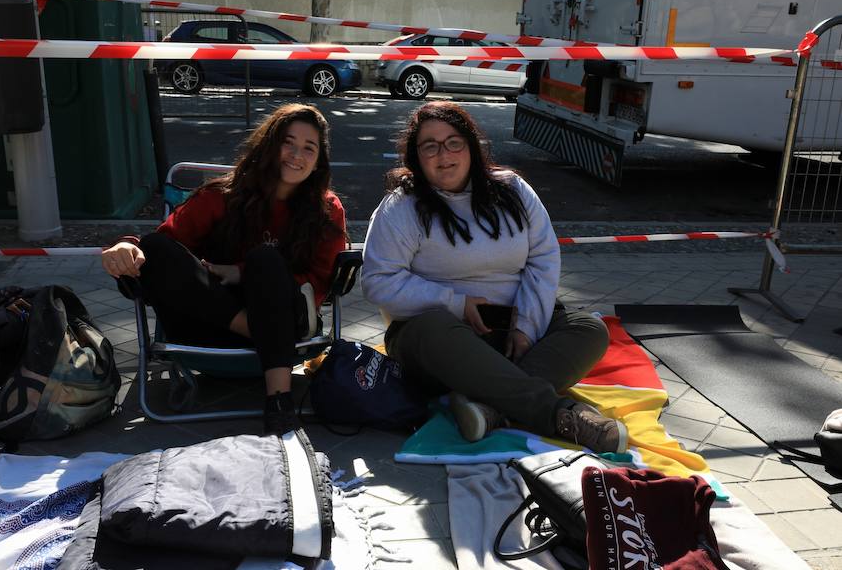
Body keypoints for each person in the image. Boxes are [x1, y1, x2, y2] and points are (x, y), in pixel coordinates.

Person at [360, 101, 627, 453]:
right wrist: (456, 304)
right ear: (416, 157)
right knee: (433, 330)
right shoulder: (402, 206)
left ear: (471, 147)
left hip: (512, 328)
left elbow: (542, 259)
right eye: (430, 146)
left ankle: (490, 409)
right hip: (440, 337)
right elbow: (378, 280)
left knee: (589, 328)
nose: (444, 154)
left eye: (454, 142)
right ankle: (560, 415)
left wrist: (526, 328)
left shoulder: (513, 190)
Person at [101, 103, 347, 436]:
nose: (296, 154)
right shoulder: (221, 196)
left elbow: (321, 280)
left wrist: (242, 272)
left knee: (266, 260)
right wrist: (126, 247)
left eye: (309, 148)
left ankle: (279, 401)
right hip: (213, 325)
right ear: (269, 144)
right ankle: (255, 328)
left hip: (287, 320)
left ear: (319, 161)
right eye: (288, 142)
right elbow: (163, 247)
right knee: (155, 249)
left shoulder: (326, 210)